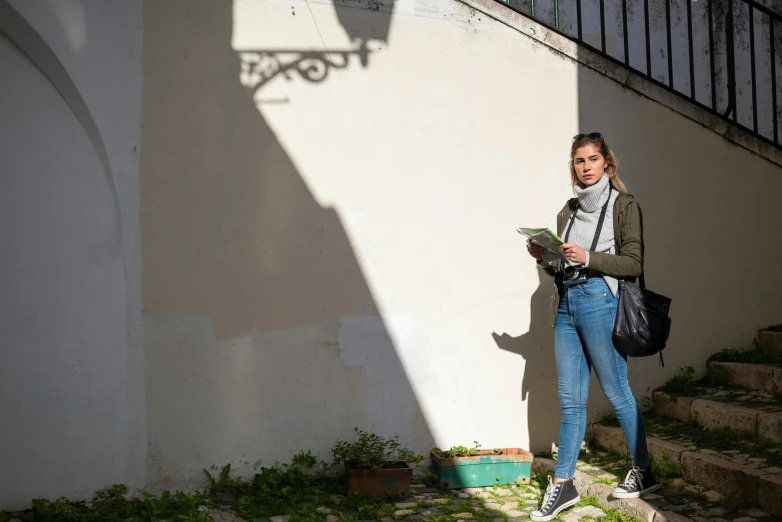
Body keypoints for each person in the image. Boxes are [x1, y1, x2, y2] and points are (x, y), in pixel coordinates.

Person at [526, 133, 657, 522]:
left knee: (617, 391)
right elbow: (560, 266)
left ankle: (644, 469)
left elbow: (633, 263)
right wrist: (544, 257)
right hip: (566, 303)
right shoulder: (568, 212)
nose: (586, 166)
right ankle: (563, 484)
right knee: (570, 400)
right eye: (579, 161)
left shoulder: (624, 205)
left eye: (593, 159)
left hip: (601, 301)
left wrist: (589, 257)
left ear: (607, 164)